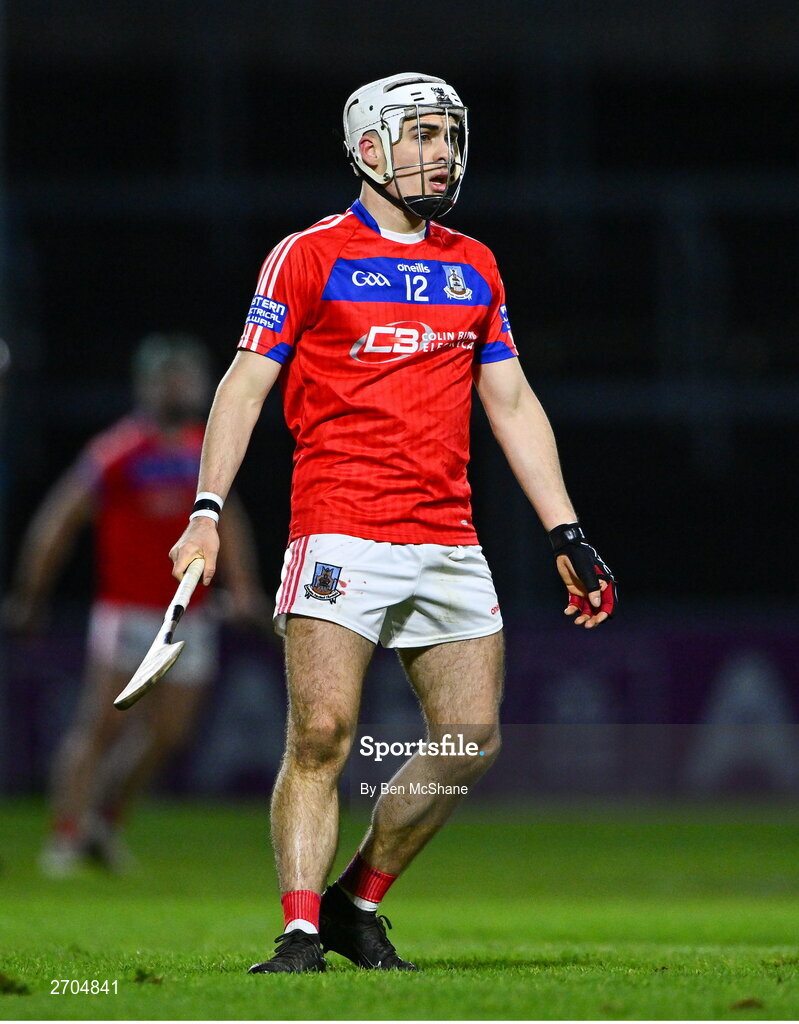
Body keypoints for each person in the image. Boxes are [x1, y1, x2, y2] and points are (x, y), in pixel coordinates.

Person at [170, 73, 617, 973]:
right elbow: (242, 386)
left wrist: (566, 532)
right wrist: (206, 510)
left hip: (446, 537)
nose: (440, 153)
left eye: (447, 136)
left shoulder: (475, 264)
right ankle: (297, 931)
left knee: (471, 740)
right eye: (419, 135)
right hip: (338, 530)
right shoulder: (307, 255)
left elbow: (512, 401)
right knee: (323, 736)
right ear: (367, 148)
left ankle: (354, 901)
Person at [5, 333, 269, 876]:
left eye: (187, 376)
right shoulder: (119, 450)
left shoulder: (203, 449)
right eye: (170, 376)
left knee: (169, 733)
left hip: (190, 614)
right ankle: (65, 836)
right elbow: (57, 524)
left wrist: (243, 589)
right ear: (148, 385)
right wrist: (30, 597)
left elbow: (231, 523)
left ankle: (104, 821)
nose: (182, 386)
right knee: (101, 725)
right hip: (127, 612)